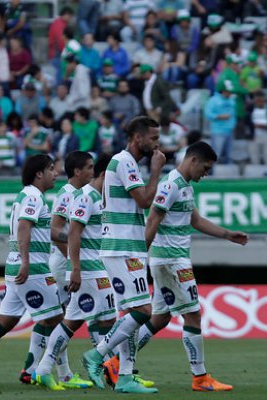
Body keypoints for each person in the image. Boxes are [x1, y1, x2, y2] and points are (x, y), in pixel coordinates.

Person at [96, 141, 247, 392]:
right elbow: (153, 218)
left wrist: (227, 234)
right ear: (193, 161)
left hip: (171, 259)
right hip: (170, 260)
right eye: (206, 168)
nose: (206, 174)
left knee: (160, 318)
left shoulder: (185, 186)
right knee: (193, 315)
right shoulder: (170, 185)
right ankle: (200, 377)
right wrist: (139, 255)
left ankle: (116, 362)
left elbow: (195, 220)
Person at [0, 154, 63, 389]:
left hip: (14, 265)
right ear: (39, 174)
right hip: (32, 268)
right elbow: (24, 227)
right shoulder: (34, 196)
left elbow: (45, 231)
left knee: (5, 321)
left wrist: (76, 238)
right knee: (58, 319)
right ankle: (42, 371)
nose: (55, 174)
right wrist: (26, 262)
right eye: (51, 169)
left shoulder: (25, 196)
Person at [82, 116, 165, 394]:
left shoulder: (124, 163)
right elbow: (144, 200)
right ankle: (96, 356)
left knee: (131, 312)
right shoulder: (125, 161)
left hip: (126, 247)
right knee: (143, 311)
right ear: (138, 137)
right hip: (122, 248)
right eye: (153, 138)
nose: (157, 143)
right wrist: (156, 171)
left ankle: (126, 376)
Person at [32, 153, 116, 386]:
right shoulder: (68, 194)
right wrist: (73, 260)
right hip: (68, 263)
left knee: (78, 317)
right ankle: (46, 368)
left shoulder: (92, 195)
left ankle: (107, 368)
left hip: (84, 263)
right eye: (88, 167)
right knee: (62, 317)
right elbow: (55, 229)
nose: (91, 171)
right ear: (77, 171)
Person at [204, 80, 236, 164]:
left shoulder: (231, 100)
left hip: (230, 131)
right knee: (216, 154)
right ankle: (213, 173)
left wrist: (233, 125)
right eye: (228, 91)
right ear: (223, 90)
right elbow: (207, 113)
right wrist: (219, 116)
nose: (230, 93)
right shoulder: (213, 100)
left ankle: (229, 174)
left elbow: (233, 114)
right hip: (218, 131)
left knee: (230, 155)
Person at [248, 91, 267, 165]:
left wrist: (266, 126)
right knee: (254, 155)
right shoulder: (250, 108)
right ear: (255, 100)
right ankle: (256, 172)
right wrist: (253, 125)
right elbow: (247, 121)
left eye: (262, 100)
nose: (260, 102)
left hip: (266, 135)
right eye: (258, 100)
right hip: (254, 135)